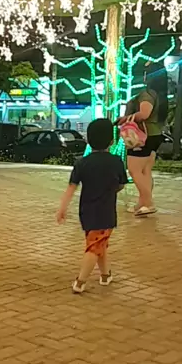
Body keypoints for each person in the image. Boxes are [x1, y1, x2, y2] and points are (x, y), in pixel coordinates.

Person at [57, 118, 128, 294]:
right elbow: (121, 185)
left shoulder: (82, 162)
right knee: (95, 247)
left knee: (98, 243)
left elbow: (71, 187)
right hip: (105, 213)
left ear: (88, 140)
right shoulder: (116, 161)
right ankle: (80, 281)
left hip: (86, 212)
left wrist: (62, 208)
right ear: (111, 141)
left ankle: (105, 275)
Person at [119, 62, 168, 217]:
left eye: (146, 72)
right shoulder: (161, 95)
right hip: (155, 135)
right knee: (145, 171)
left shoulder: (147, 94)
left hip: (142, 137)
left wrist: (125, 119)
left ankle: (148, 202)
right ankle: (143, 204)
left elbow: (144, 114)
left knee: (134, 170)